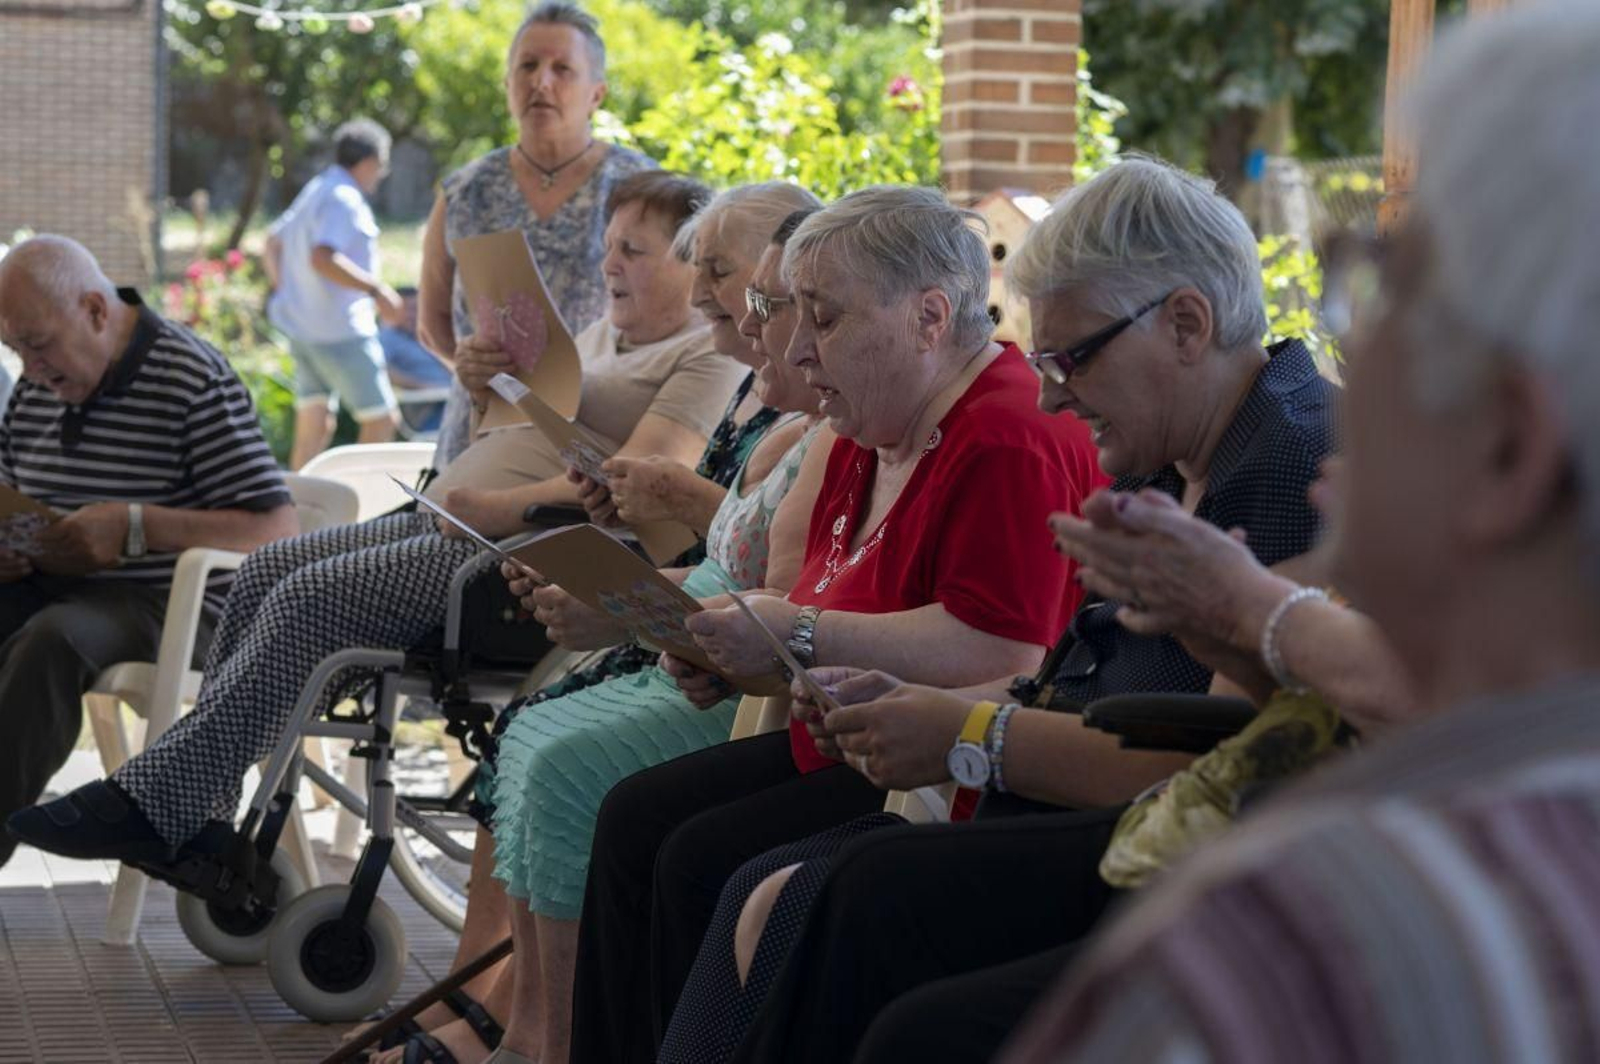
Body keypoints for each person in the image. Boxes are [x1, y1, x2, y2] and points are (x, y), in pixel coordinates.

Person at [1005, 6, 1600, 1061]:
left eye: (1372, 279)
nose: (1325, 363)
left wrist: (1244, 607)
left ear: (1507, 447)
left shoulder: (1288, 956)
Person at [655, 155, 1343, 1064]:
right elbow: (1069, 666)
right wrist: (939, 713)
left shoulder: (1288, 460)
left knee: (831, 908)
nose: (1051, 391)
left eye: (1070, 357)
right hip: (1070, 798)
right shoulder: (1183, 440)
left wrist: (972, 734)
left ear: (1186, 323)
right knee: (770, 888)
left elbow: (1219, 771)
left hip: (1164, 860)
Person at [7, 172, 741, 874]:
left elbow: (641, 485)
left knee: (311, 597)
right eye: (608, 243)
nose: (608, 262)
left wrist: (495, 506)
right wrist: (487, 386)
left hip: (521, 549)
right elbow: (521, 434)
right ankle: (201, 815)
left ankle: (157, 801)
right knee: (267, 571)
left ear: (688, 267)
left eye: (632, 251)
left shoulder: (703, 358)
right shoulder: (604, 336)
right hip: (452, 518)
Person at [567, 185, 1106, 1064]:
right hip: (844, 730)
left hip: (928, 763)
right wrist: (748, 656)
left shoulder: (1009, 436)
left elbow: (1006, 647)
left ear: (930, 317)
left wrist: (796, 638)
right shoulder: (869, 417)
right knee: (638, 820)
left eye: (823, 318)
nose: (800, 351)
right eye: (793, 316)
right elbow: (825, 598)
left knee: (702, 859)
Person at [366, 186, 824, 1064]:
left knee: (557, 757)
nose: (706, 299)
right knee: (530, 735)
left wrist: (626, 574)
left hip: (730, 666)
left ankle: (522, 1028)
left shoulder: (789, 398)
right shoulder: (767, 395)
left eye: (722, 277)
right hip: (697, 632)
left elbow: (781, 581)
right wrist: (609, 572)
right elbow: (735, 554)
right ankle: (504, 1015)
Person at [0, 235, 295, 868]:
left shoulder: (189, 376)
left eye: (39, 343)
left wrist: (136, 526)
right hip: (60, 585)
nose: (28, 368)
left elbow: (275, 527)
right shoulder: (37, 388)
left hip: (177, 604)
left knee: (53, 641)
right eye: (15, 349)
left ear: (95, 311)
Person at [419, 0, 656, 472]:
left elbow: (676, 323)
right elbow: (432, 324)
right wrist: (470, 367)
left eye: (562, 68)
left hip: (594, 442)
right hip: (476, 439)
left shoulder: (640, 190)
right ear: (507, 83)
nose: (540, 81)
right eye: (526, 66)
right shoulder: (464, 191)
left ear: (596, 94)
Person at [264, 117, 405, 469]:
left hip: (303, 329)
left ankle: (299, 516)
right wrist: (376, 289)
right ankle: (357, 517)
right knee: (382, 421)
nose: (381, 174)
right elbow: (322, 257)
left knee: (314, 425)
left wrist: (288, 290)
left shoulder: (317, 188)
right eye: (382, 166)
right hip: (340, 332)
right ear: (371, 161)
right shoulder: (344, 198)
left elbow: (271, 242)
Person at [379, 286, 454, 437]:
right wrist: (426, 387)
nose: (412, 314)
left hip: (454, 399)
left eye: (417, 308)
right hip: (428, 407)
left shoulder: (428, 334)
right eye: (407, 309)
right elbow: (383, 372)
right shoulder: (388, 338)